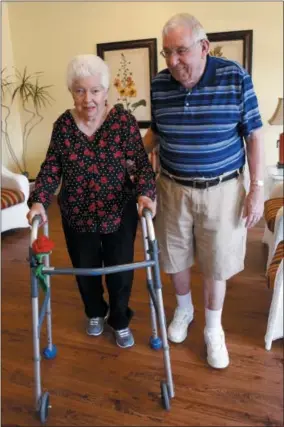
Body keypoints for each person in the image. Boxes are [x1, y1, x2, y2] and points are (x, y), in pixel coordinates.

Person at [143, 13, 264, 368]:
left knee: (215, 263)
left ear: (203, 46)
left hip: (223, 190)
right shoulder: (159, 84)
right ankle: (184, 310)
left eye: (181, 51)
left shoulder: (235, 78)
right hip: (172, 188)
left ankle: (214, 328)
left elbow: (254, 135)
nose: (173, 61)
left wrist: (256, 189)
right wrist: (128, 153)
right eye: (167, 53)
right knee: (174, 257)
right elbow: (157, 132)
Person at [27, 54, 156, 349]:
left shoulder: (123, 122)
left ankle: (120, 319)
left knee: (120, 270)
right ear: (71, 92)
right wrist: (38, 201)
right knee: (84, 268)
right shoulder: (63, 126)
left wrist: (146, 194)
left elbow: (139, 165)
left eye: (95, 90)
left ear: (106, 91)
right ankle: (95, 312)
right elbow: (51, 167)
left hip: (119, 212)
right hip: (77, 213)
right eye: (80, 91)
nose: (88, 99)